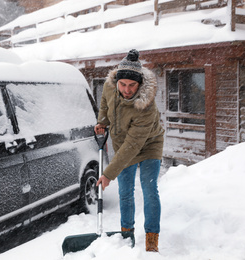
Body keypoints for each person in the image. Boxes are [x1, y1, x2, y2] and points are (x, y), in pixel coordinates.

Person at [95, 49, 164, 252]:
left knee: (149, 190)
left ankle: (151, 239)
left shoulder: (146, 108)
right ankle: (127, 234)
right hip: (122, 142)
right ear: (117, 80)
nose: (126, 89)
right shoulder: (110, 87)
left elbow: (132, 146)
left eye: (132, 85)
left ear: (140, 83)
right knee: (125, 192)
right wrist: (102, 121)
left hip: (149, 144)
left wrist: (108, 174)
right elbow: (105, 104)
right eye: (123, 84)